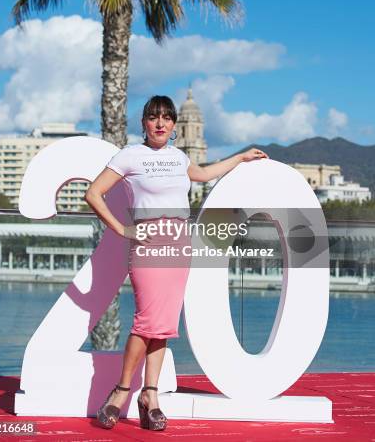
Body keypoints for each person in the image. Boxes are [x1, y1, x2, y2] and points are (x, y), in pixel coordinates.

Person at [84, 95, 268, 431]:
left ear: (173, 125)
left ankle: (150, 395)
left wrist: (241, 157)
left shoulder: (179, 157)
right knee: (146, 321)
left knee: (163, 324)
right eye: (153, 117)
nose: (160, 123)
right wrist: (124, 228)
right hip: (149, 241)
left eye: (166, 118)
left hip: (179, 242)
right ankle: (122, 390)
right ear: (144, 122)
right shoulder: (129, 155)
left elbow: (205, 173)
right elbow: (93, 194)